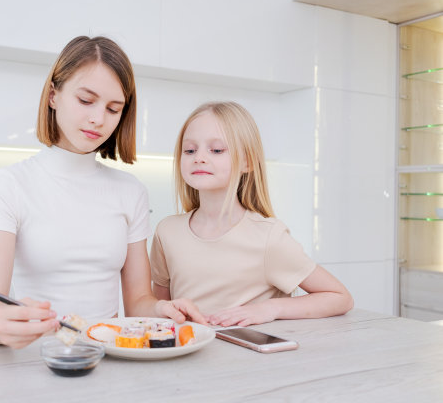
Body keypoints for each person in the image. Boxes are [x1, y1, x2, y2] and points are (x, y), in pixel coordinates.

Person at [0, 36, 205, 349]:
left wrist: (161, 309)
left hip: (108, 359)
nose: (98, 119)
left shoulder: (130, 191)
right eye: (86, 101)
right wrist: (0, 323)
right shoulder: (8, 186)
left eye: (113, 108)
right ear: (53, 96)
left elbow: (137, 302)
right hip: (42, 358)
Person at [150, 101, 353, 327]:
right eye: (189, 150)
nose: (199, 157)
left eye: (216, 150)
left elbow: (340, 298)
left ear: (246, 162)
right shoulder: (167, 231)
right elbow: (161, 310)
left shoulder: (268, 237)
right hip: (187, 357)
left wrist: (269, 309)